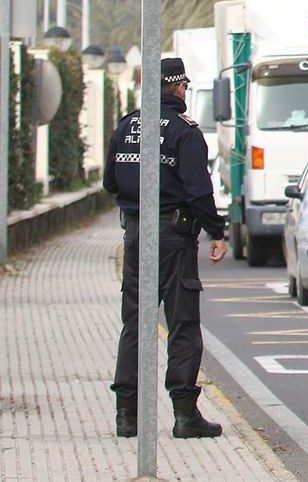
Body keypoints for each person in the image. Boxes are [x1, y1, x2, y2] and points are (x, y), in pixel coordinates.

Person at [103, 56, 228, 439]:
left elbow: (110, 182)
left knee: (135, 324)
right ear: (176, 87)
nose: (185, 91)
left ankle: (127, 416)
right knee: (183, 326)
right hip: (174, 238)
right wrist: (216, 231)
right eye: (185, 85)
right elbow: (198, 189)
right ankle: (185, 415)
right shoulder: (184, 131)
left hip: (136, 235)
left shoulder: (127, 127)